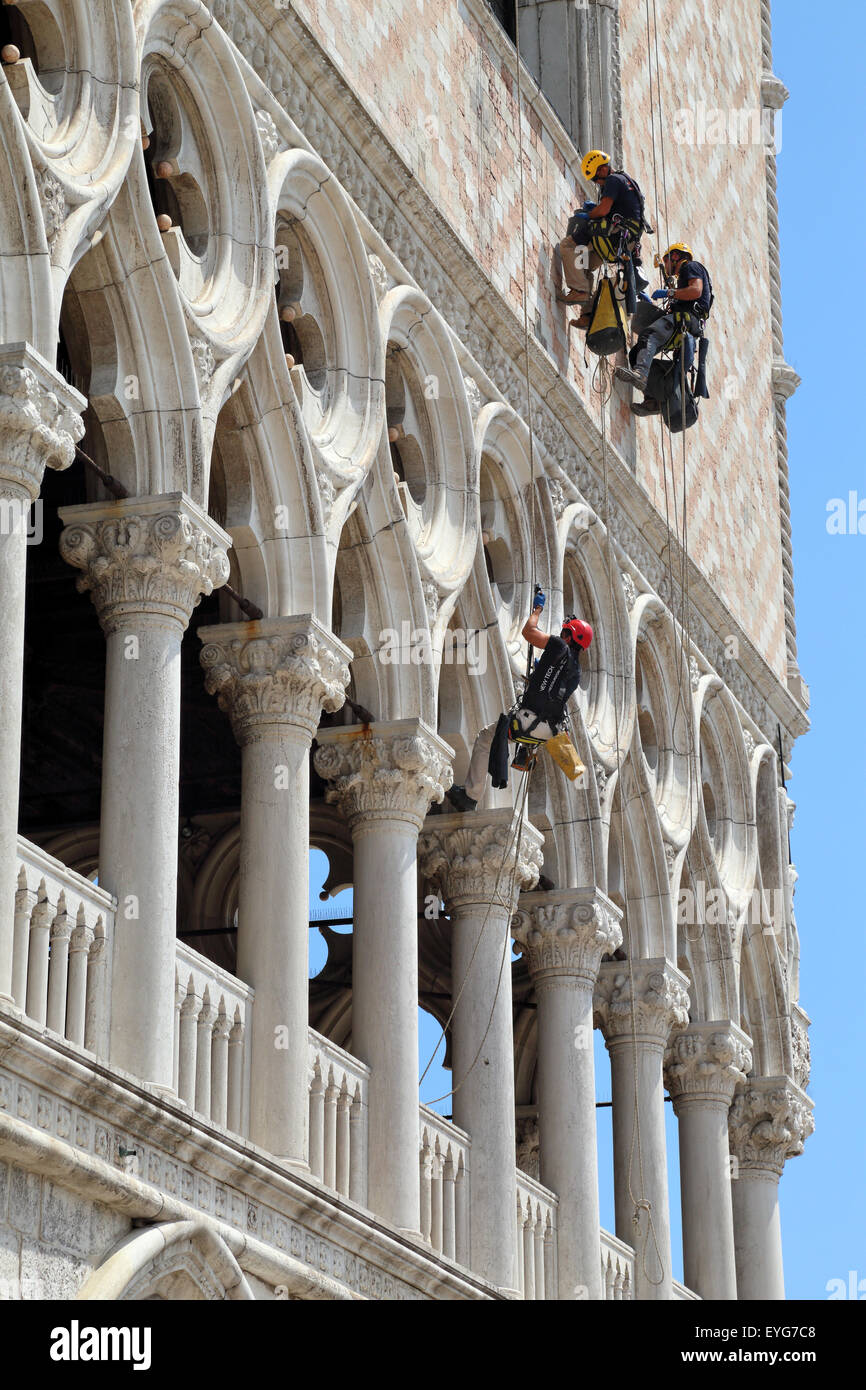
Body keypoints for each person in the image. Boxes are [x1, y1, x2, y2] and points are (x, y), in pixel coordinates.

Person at [447, 596, 593, 812]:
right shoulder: (576, 672)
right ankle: (526, 751)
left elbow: (528, 632)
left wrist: (537, 609)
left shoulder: (558, 645)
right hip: (550, 730)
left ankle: (470, 795)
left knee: (485, 738)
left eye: (565, 633)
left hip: (527, 720)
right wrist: (539, 673)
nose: (562, 635)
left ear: (570, 637)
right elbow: (553, 689)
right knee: (521, 734)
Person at [614, 242, 713, 408]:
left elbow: (695, 290)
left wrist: (669, 292)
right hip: (684, 322)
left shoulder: (690, 267)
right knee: (636, 354)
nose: (666, 267)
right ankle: (654, 400)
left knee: (650, 335)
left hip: (686, 320)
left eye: (666, 261)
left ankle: (640, 374)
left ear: (675, 256)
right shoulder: (684, 275)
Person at [558, 150, 649, 325]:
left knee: (568, 245)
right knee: (583, 262)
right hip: (621, 243)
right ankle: (587, 315)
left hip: (614, 235)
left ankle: (580, 290)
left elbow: (604, 210)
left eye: (595, 179)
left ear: (601, 170)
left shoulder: (614, 180)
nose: (597, 184)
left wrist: (590, 214)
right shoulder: (625, 180)